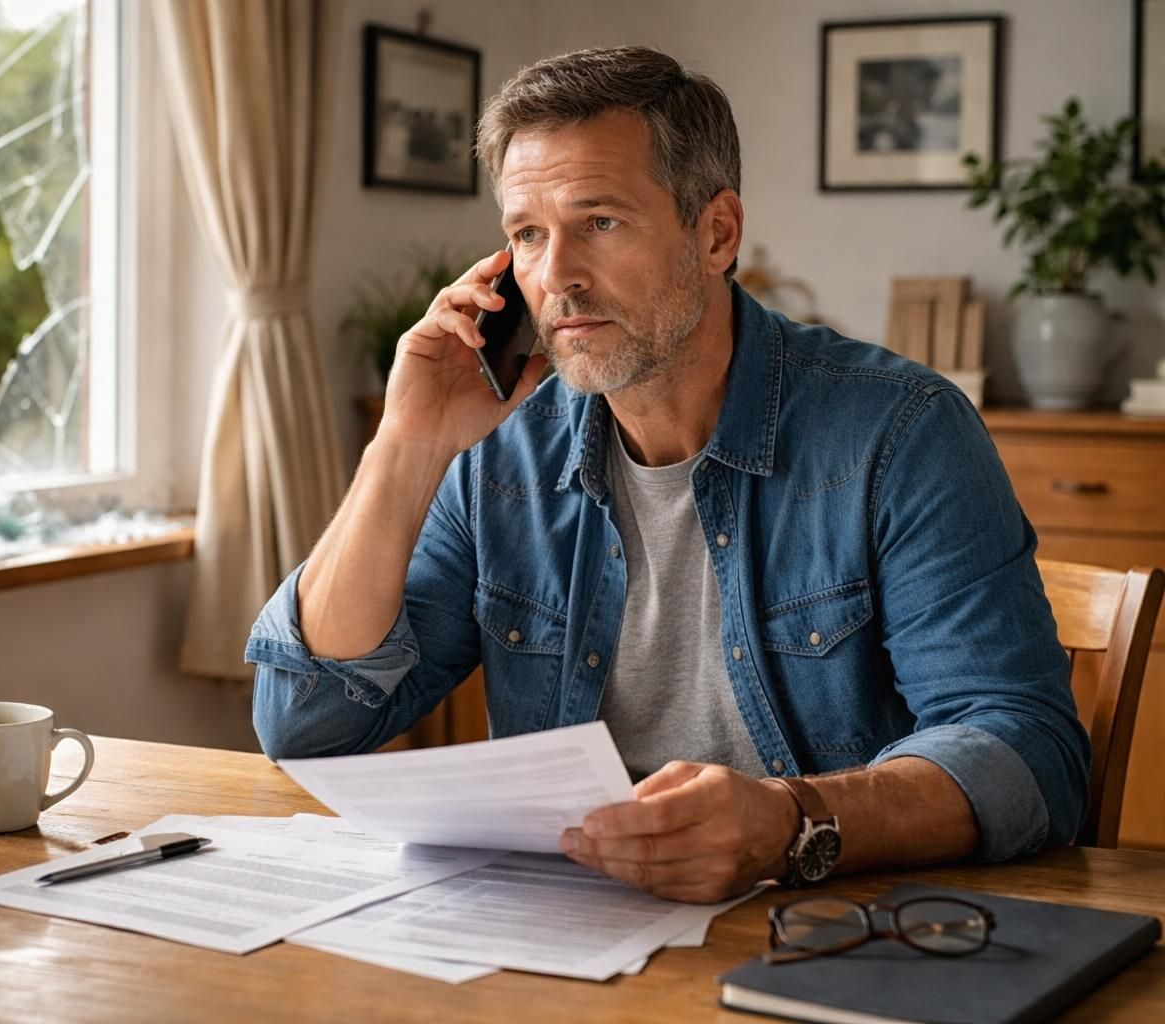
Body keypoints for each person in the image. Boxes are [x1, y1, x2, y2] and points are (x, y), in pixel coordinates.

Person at [245, 47, 1088, 903]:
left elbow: (1025, 750)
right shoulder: (498, 452)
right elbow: (309, 724)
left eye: (600, 222)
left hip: (827, 928)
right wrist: (405, 443)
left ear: (716, 232)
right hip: (569, 923)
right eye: (527, 235)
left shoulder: (899, 432)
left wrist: (789, 821)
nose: (556, 276)